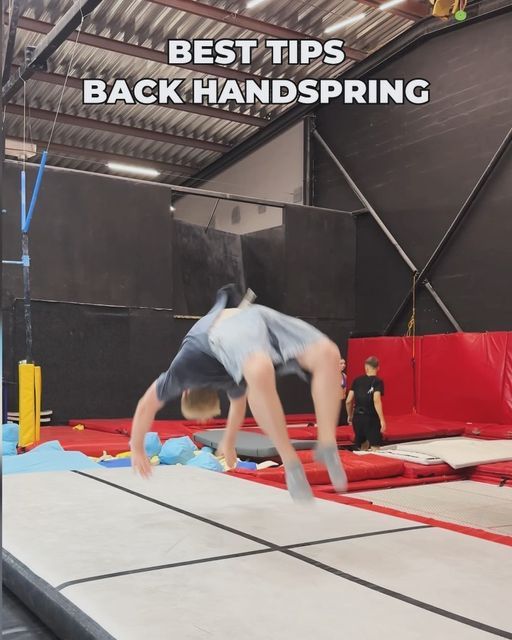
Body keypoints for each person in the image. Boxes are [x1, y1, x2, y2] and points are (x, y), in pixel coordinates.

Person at [130, 284, 347, 501]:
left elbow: (146, 406)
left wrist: (138, 448)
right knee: (327, 353)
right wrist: (229, 440)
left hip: (227, 329)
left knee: (262, 368)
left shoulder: (183, 370)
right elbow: (238, 405)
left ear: (188, 392)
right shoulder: (231, 377)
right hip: (256, 318)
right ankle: (310, 453)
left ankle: (306, 454)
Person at [345, 356, 386, 450]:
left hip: (357, 418)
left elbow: (348, 401)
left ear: (366, 367)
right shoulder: (377, 381)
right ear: (378, 367)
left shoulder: (357, 380)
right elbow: (376, 400)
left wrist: (350, 415)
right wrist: (382, 419)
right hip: (371, 418)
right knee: (375, 448)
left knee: (363, 447)